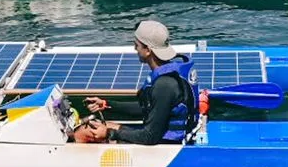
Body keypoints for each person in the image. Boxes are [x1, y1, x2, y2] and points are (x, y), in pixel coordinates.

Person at [70, 20, 198, 145]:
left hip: (166, 146)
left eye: (136, 45)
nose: (134, 48)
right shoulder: (167, 76)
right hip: (158, 136)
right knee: (94, 125)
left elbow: (149, 136)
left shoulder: (164, 85)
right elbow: (147, 108)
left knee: (85, 132)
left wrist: (109, 133)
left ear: (148, 50)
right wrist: (107, 104)